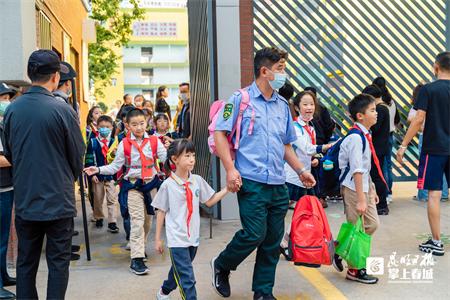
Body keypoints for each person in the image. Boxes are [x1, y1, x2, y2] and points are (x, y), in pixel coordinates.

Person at [211, 47, 316, 300]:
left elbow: (285, 145)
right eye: (280, 68)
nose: (284, 74)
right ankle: (222, 264)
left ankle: (263, 292)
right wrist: (230, 168)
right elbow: (219, 133)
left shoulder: (282, 106)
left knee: (272, 240)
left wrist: (301, 170)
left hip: (278, 183)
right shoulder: (238, 100)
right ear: (264, 71)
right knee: (254, 234)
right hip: (252, 182)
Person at [2, 49, 85, 299]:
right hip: (58, 199)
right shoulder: (62, 110)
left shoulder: (13, 110)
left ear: (30, 75)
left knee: (26, 263)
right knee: (58, 263)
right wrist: (65, 178)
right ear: (55, 77)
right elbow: (76, 155)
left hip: (27, 199)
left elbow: (10, 153)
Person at [84, 108, 167, 275]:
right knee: (137, 220)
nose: (138, 127)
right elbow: (115, 166)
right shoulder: (124, 144)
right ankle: (136, 259)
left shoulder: (154, 142)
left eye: (142, 123)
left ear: (147, 123)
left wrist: (177, 156)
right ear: (127, 126)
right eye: (134, 124)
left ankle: (140, 246)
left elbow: (166, 159)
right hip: (132, 186)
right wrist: (98, 169)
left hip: (151, 185)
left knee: (147, 221)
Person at [152, 139, 229, 300]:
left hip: (193, 238)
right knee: (187, 279)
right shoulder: (168, 185)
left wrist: (227, 189)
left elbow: (209, 200)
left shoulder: (197, 181)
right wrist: (158, 239)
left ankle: (164, 291)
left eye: (193, 155)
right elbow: (161, 212)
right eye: (187, 156)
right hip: (176, 240)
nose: (192, 159)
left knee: (179, 271)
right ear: (175, 159)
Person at [397, 52, 450, 256]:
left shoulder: (428, 89)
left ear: (436, 67)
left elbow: (419, 119)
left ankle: (436, 242)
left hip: (434, 149)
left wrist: (403, 146)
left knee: (434, 195)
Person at [333, 94, 380, 284]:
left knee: (371, 224)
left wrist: (373, 190)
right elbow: (357, 171)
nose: (376, 114)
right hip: (354, 189)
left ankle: (339, 249)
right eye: (373, 110)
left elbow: (365, 167)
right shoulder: (355, 138)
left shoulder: (365, 135)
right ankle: (355, 269)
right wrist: (361, 198)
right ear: (360, 116)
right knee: (356, 226)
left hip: (364, 188)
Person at [279, 90, 333, 258]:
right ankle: (277, 242)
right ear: (297, 107)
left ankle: (286, 242)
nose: (309, 108)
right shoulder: (295, 127)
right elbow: (306, 148)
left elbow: (309, 152)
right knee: (280, 212)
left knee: (302, 212)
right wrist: (325, 147)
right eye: (305, 104)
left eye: (311, 104)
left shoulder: (311, 127)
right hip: (291, 177)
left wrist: (314, 159)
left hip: (305, 176)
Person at [407, 83, 449, 202]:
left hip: (428, 137)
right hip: (444, 138)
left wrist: (404, 145)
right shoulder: (441, 99)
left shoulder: (423, 100)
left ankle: (424, 194)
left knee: (426, 168)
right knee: (443, 168)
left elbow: (413, 118)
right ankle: (444, 194)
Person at [85, 115, 119, 232]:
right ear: (97, 127)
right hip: (97, 176)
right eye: (102, 126)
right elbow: (88, 158)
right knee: (98, 198)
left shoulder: (115, 142)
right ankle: (98, 216)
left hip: (110, 176)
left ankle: (112, 221)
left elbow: (118, 161)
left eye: (107, 126)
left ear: (112, 127)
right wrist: (92, 174)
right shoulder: (93, 142)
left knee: (112, 199)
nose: (104, 129)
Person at [304, 86, 336, 206]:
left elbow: (329, 126)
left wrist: (324, 141)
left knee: (319, 170)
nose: (308, 106)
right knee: (313, 170)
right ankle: (315, 197)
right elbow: (329, 126)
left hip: (319, 144)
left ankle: (320, 197)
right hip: (312, 144)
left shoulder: (321, 109)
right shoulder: (319, 109)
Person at [362, 85, 390, 215]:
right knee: (377, 175)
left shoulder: (380, 109)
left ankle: (382, 205)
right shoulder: (384, 107)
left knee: (377, 176)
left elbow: (375, 127)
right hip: (381, 146)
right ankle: (381, 204)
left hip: (377, 147)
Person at [0, 83, 16, 300]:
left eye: (7, 97)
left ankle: (3, 276)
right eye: (2, 97)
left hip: (6, 186)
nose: (6, 102)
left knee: (4, 236)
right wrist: (20, 160)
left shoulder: (4, 125)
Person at [373, 77, 399, 203]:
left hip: (380, 136)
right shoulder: (391, 101)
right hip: (390, 135)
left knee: (381, 165)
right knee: (388, 165)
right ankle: (389, 193)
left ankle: (384, 192)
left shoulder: (377, 104)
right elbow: (397, 119)